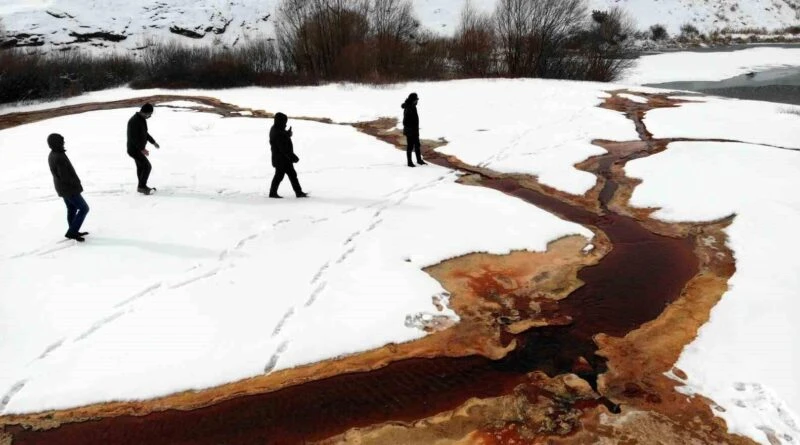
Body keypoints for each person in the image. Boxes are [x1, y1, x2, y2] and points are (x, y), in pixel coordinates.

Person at [47, 133, 90, 242]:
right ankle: (72, 232)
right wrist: (76, 183)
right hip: (69, 189)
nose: (64, 142)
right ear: (57, 143)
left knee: (72, 208)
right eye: (62, 141)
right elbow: (65, 177)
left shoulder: (53, 153)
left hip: (62, 188)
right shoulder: (59, 156)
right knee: (84, 208)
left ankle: (73, 230)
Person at [269, 112, 308, 199]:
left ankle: (297, 192)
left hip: (281, 159)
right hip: (282, 160)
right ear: (280, 121)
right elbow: (284, 149)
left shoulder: (276, 128)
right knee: (287, 175)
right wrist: (293, 157)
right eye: (284, 121)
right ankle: (298, 192)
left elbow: (282, 135)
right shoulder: (278, 133)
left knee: (283, 176)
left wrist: (288, 134)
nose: (285, 124)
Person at [127, 103, 160, 195]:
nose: (150, 116)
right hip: (134, 150)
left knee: (141, 167)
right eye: (150, 114)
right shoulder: (134, 121)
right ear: (145, 112)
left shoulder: (141, 119)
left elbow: (145, 133)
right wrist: (142, 149)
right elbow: (133, 138)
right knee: (147, 166)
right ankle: (141, 187)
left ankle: (142, 186)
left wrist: (153, 142)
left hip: (138, 149)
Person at [401, 92, 426, 167]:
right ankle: (409, 162)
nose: (417, 101)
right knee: (410, 146)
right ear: (413, 100)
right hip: (410, 131)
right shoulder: (409, 107)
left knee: (417, 145)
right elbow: (405, 121)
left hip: (414, 130)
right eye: (416, 100)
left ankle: (419, 160)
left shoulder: (412, 106)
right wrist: (412, 128)